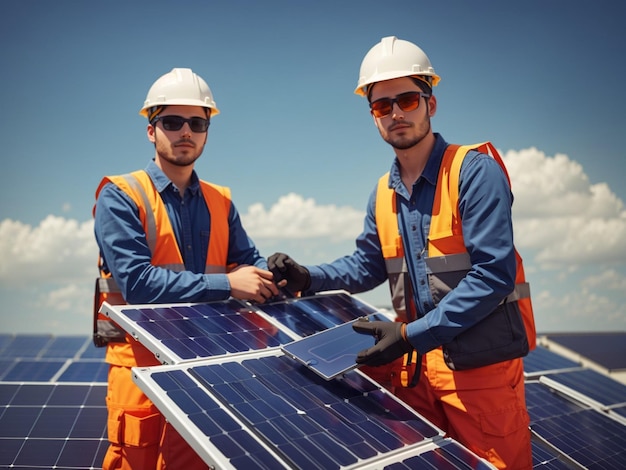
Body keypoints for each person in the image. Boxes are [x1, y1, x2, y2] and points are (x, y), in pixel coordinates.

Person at [268, 37, 536, 469]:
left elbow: (493, 275)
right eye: (381, 105)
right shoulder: (382, 193)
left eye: (407, 99)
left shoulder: (472, 171)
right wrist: (309, 277)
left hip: (479, 374)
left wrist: (410, 336)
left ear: (431, 102)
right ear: (372, 116)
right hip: (414, 373)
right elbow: (367, 264)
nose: (395, 113)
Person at [93, 68, 280, 470]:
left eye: (197, 123)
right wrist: (228, 284)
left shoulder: (221, 201)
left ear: (207, 130)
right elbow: (138, 284)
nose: (185, 132)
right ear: (151, 130)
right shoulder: (121, 196)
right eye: (172, 122)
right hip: (140, 369)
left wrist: (274, 275)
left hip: (203, 368)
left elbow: (247, 262)